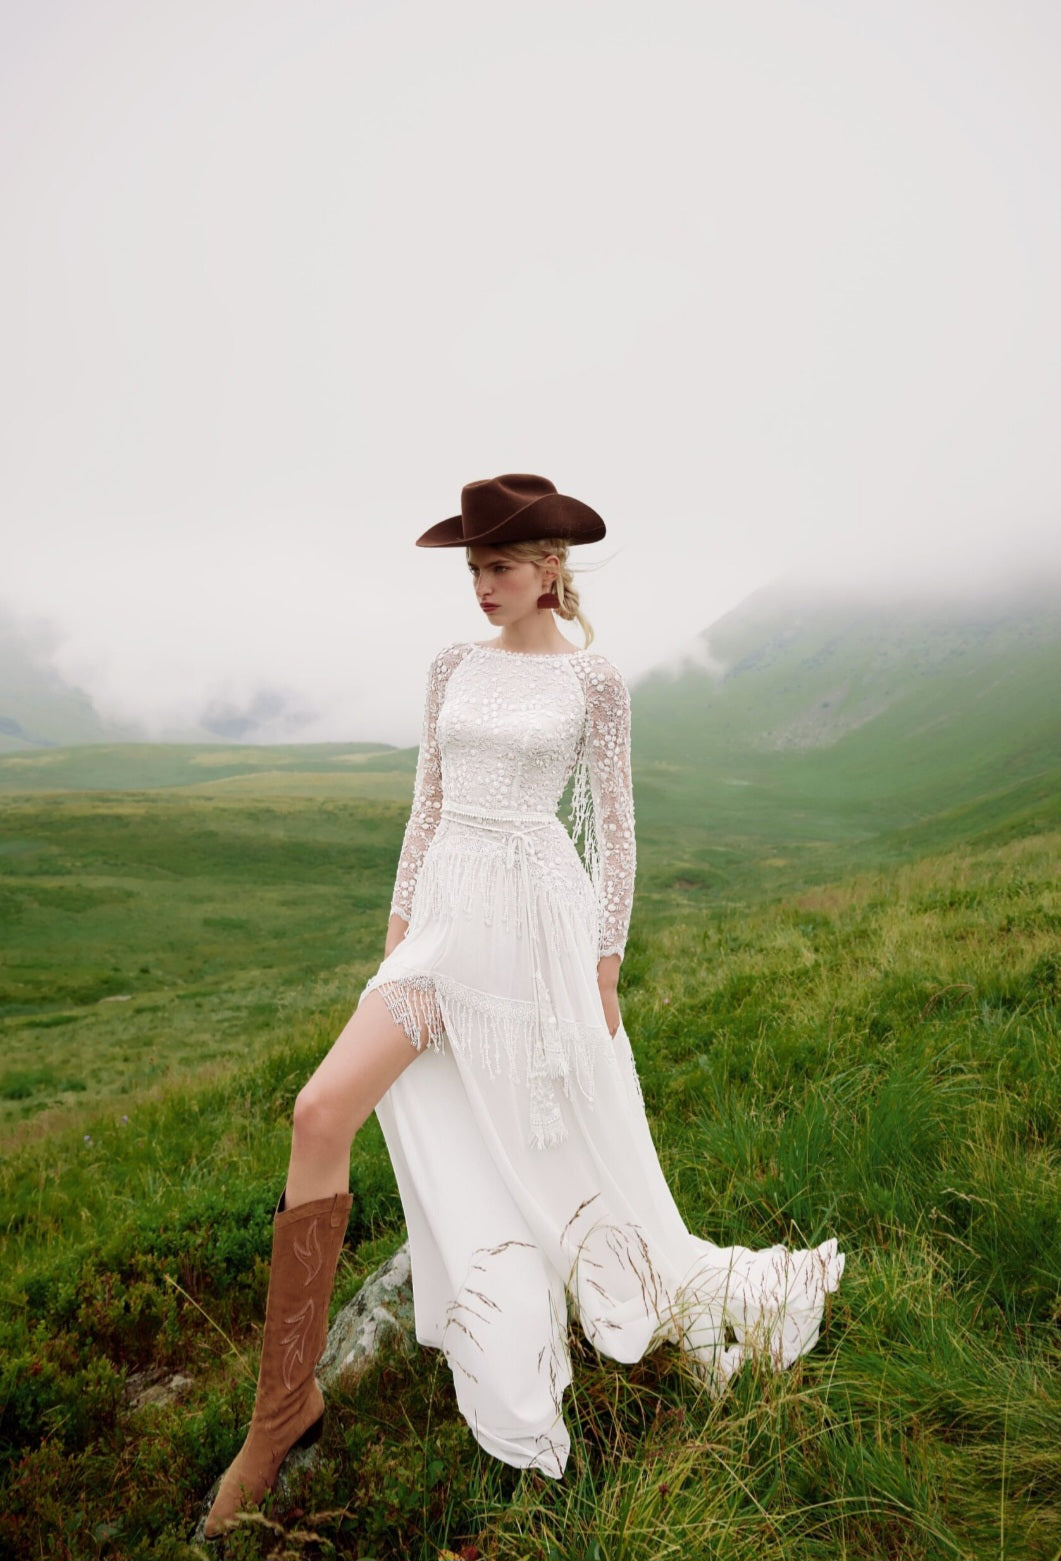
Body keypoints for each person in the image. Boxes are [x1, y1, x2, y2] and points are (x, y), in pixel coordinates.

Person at [204, 473, 844, 1538]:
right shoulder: (450, 665)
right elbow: (426, 809)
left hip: (535, 937)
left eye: (497, 566)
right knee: (319, 1111)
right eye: (471, 567)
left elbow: (614, 827)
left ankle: (573, 1286)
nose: (480, 586)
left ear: (550, 566)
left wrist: (603, 961)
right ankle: (281, 1412)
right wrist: (396, 936)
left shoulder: (594, 683)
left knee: (552, 1153)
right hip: (443, 925)